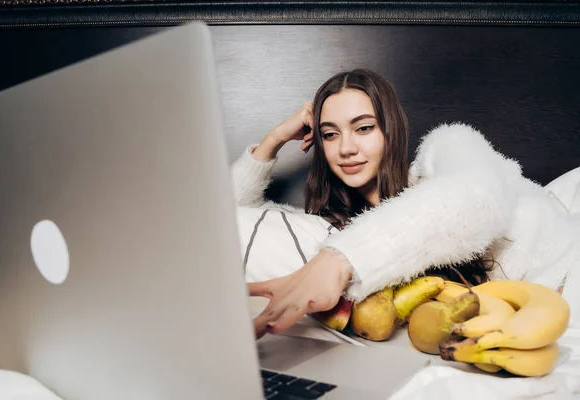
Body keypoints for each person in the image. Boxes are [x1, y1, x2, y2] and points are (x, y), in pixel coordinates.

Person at [231, 69, 580, 340]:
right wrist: (273, 141)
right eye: (330, 134)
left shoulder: (443, 151)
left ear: (391, 130)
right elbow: (218, 222)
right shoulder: (336, 228)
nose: (346, 148)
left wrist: (339, 259)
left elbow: (477, 198)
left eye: (363, 128)